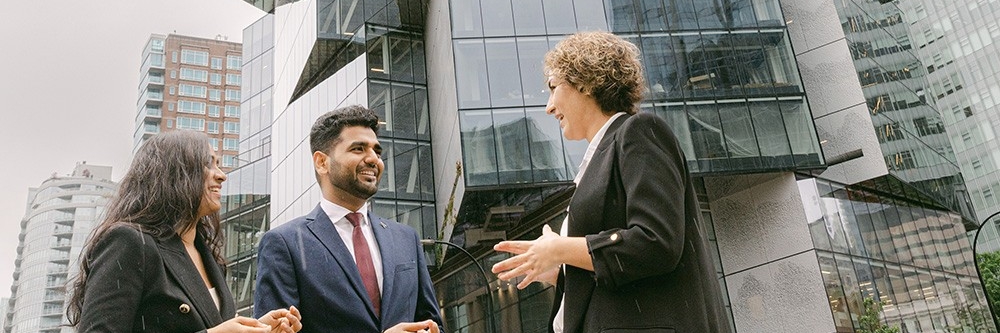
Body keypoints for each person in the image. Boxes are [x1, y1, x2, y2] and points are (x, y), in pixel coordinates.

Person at [491, 31, 728, 333]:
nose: (549, 107)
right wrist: (562, 268)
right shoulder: (599, 157)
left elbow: (656, 243)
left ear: (586, 81)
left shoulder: (639, 131)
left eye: (553, 88)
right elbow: (615, 265)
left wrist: (561, 249)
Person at [67, 130, 302, 333]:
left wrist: (257, 328)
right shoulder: (129, 241)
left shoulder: (211, 259)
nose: (221, 175)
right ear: (174, 173)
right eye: (208, 164)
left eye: (218, 164)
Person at [254, 105, 443, 333]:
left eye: (377, 150)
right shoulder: (284, 244)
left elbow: (433, 325)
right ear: (322, 162)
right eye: (358, 149)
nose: (373, 159)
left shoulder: (406, 239)